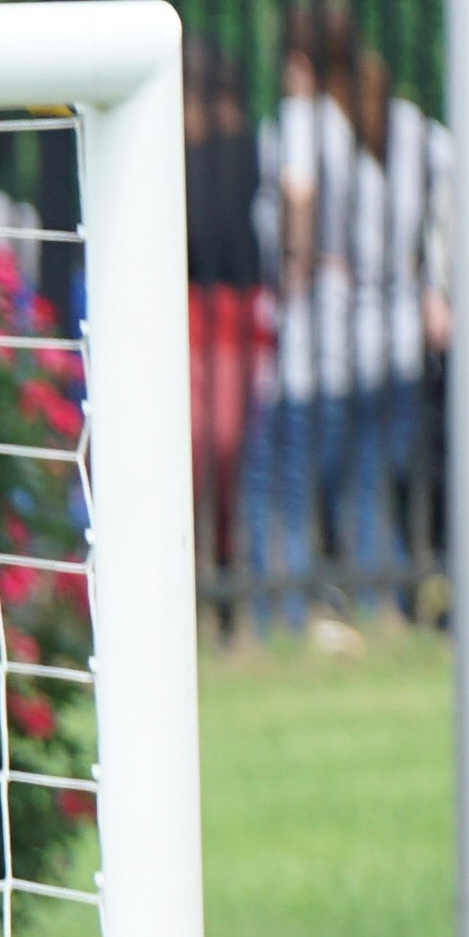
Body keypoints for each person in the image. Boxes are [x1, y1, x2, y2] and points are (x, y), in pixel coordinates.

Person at [247, 0, 444, 646]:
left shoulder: (306, 119)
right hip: (396, 338)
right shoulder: (405, 121)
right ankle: (382, 609)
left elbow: (298, 198)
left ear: (299, 63)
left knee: (284, 486)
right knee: (366, 489)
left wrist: (292, 269)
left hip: (324, 335)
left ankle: (285, 616)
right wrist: (437, 286)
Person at [179, 35, 269, 605]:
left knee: (227, 440)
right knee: (192, 440)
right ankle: (187, 562)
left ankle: (226, 562)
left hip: (233, 304)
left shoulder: (239, 149)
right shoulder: (163, 149)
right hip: (184, 303)